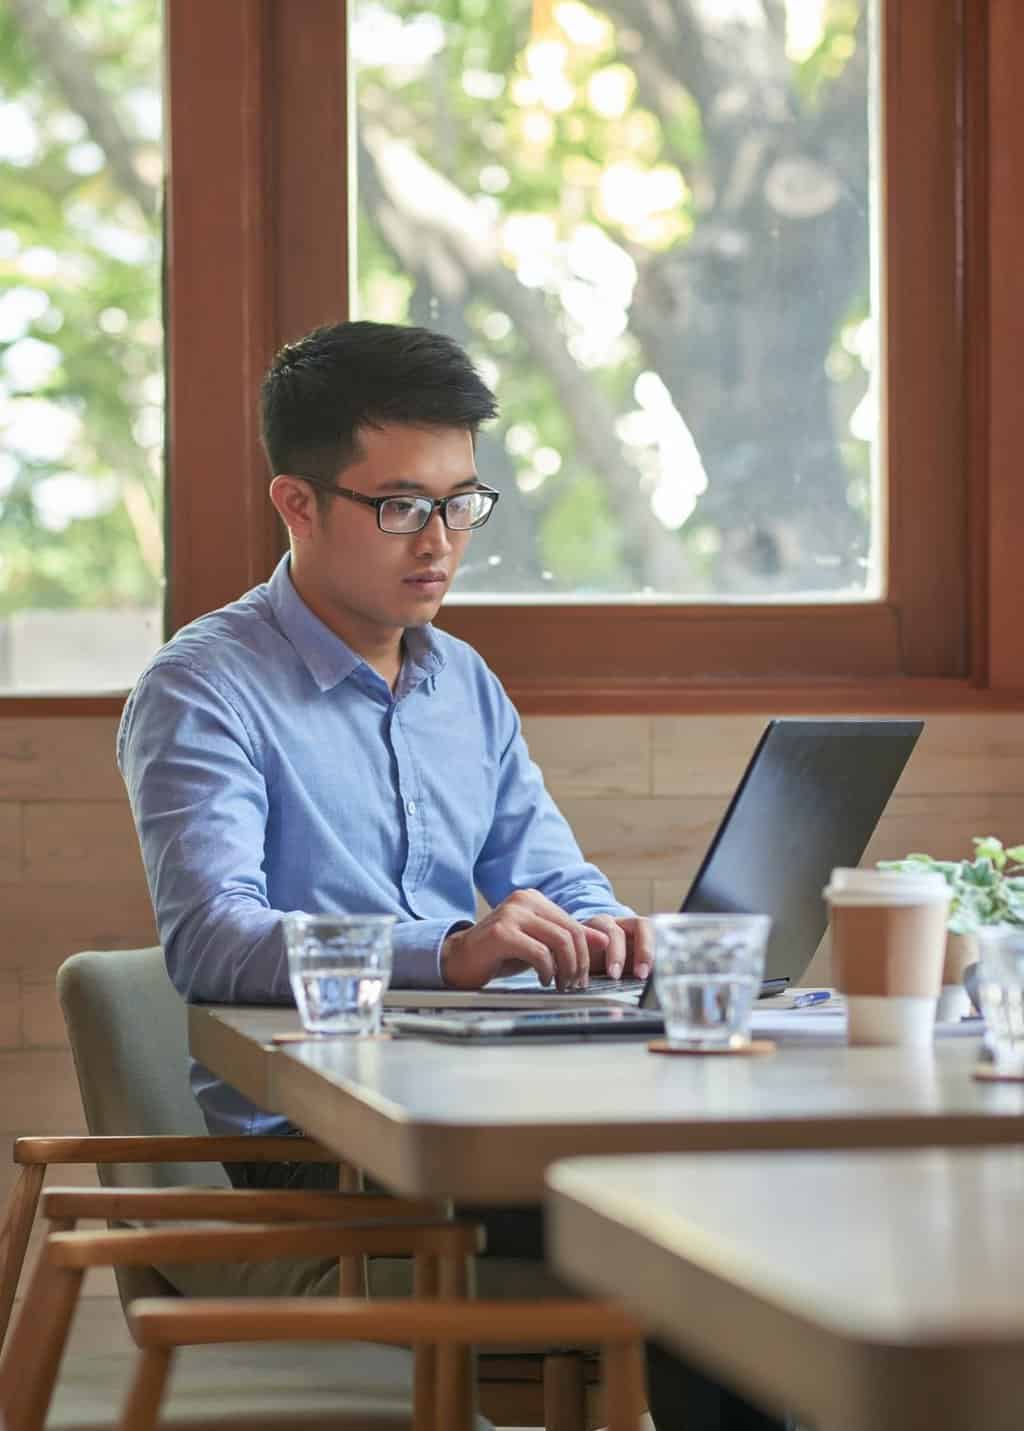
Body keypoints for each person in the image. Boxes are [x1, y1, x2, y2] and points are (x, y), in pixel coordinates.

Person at [118, 319, 784, 1431]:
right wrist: (448, 951)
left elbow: (556, 876)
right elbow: (212, 939)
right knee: (707, 1235)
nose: (439, 542)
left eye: (460, 503)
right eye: (400, 506)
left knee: (753, 1204)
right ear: (297, 503)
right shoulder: (202, 689)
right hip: (326, 1153)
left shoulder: (461, 679)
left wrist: (605, 929)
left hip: (489, 1098)